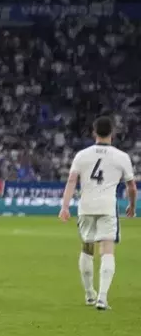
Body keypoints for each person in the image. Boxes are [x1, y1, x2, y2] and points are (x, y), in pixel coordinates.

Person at [59, 116, 137, 310]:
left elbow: (71, 181)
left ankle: (88, 294)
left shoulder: (82, 155)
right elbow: (132, 187)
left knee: (87, 248)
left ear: (94, 132)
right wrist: (132, 206)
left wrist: (65, 206)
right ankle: (102, 298)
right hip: (107, 207)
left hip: (86, 206)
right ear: (113, 133)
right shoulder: (121, 157)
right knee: (107, 250)